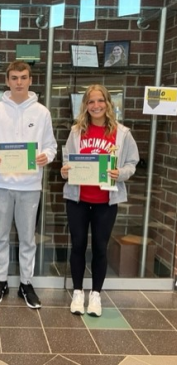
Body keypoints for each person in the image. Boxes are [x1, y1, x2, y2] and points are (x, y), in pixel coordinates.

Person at [0, 60, 57, 309]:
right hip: (0, 184)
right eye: (14, 77)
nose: (19, 82)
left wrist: (47, 156)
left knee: (27, 239)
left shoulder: (42, 112)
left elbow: (51, 146)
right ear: (7, 80)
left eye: (23, 77)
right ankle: (1, 280)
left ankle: (26, 283)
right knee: (0, 236)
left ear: (30, 80)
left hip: (30, 186)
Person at [61, 84, 139, 317]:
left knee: (100, 248)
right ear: (85, 105)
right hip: (78, 199)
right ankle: (77, 292)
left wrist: (121, 173)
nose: (96, 106)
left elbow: (132, 163)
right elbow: (67, 161)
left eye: (100, 101)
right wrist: (65, 170)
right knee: (77, 245)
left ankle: (95, 295)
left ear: (108, 103)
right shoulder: (76, 132)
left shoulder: (122, 133)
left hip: (105, 201)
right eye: (91, 101)